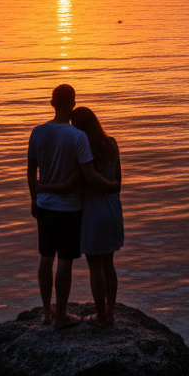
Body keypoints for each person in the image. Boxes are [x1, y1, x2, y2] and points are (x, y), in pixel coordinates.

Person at [27, 84, 116, 329]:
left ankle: (47, 312)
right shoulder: (78, 137)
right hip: (69, 209)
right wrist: (112, 186)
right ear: (73, 103)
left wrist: (35, 197)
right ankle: (61, 315)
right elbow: (87, 174)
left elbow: (30, 170)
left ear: (51, 102)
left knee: (45, 258)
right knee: (65, 261)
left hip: (44, 206)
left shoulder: (37, 132)